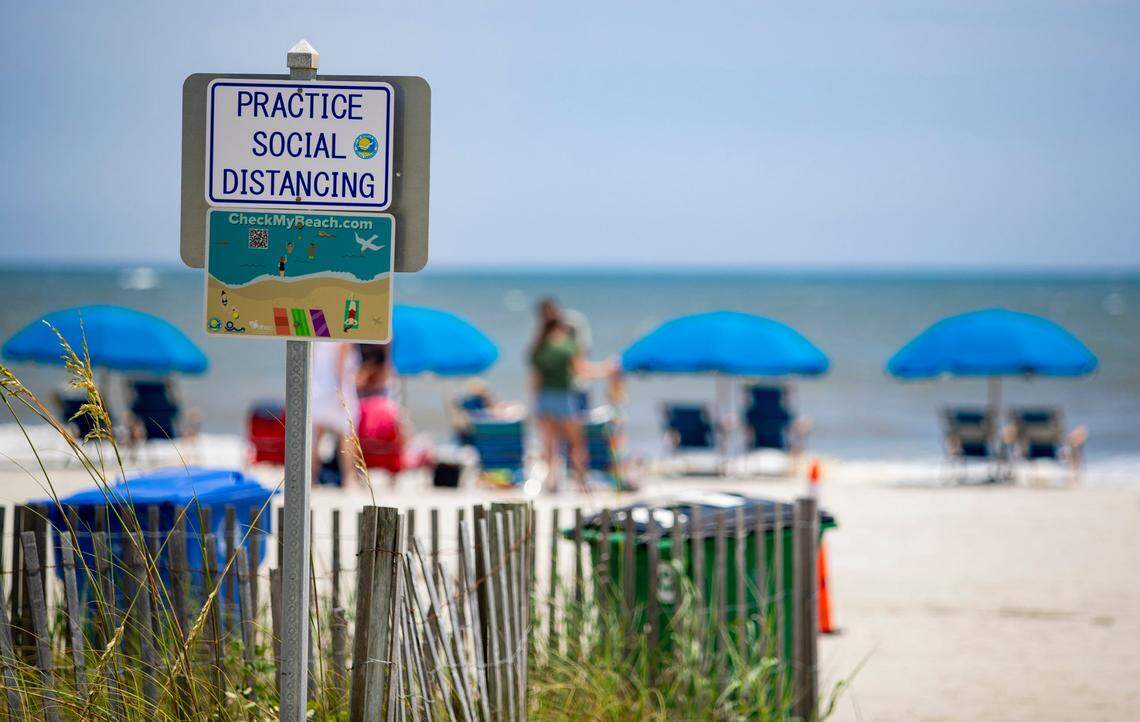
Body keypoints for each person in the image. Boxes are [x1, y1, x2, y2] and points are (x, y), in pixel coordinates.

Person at [529, 308, 613, 493]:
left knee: (550, 445)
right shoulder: (568, 345)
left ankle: (552, 483)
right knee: (576, 443)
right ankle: (580, 480)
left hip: (544, 399)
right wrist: (606, 369)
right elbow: (582, 371)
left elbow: (534, 381)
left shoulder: (538, 347)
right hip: (564, 397)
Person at [310, 342, 360, 487]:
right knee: (347, 435)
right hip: (336, 388)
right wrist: (341, 392)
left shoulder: (319, 336)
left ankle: (311, 477)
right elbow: (341, 363)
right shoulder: (343, 336)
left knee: (315, 438)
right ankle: (348, 478)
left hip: (318, 389)